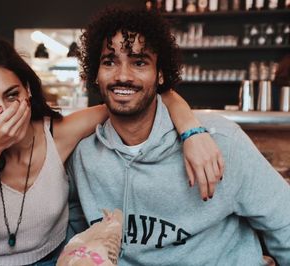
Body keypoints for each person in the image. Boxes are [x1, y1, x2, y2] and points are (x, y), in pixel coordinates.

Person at [0, 32, 223, 265]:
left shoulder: (58, 134)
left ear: (28, 91)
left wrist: (192, 130)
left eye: (12, 96)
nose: (5, 113)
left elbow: (135, 99)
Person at [67, 6, 290, 265]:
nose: (123, 76)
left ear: (160, 74)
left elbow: (285, 224)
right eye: (109, 62)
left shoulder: (221, 141)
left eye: (139, 62)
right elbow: (72, 227)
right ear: (95, 73)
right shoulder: (83, 154)